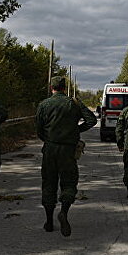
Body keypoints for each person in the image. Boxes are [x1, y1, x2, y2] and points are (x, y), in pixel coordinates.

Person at [36, 76, 96, 237]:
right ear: (64, 88)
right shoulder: (74, 103)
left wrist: (49, 139)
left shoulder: (44, 105)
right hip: (68, 150)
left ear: (51, 88)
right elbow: (92, 120)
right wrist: (75, 131)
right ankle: (63, 212)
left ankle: (49, 221)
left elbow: (39, 130)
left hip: (50, 149)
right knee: (69, 182)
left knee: (49, 183)